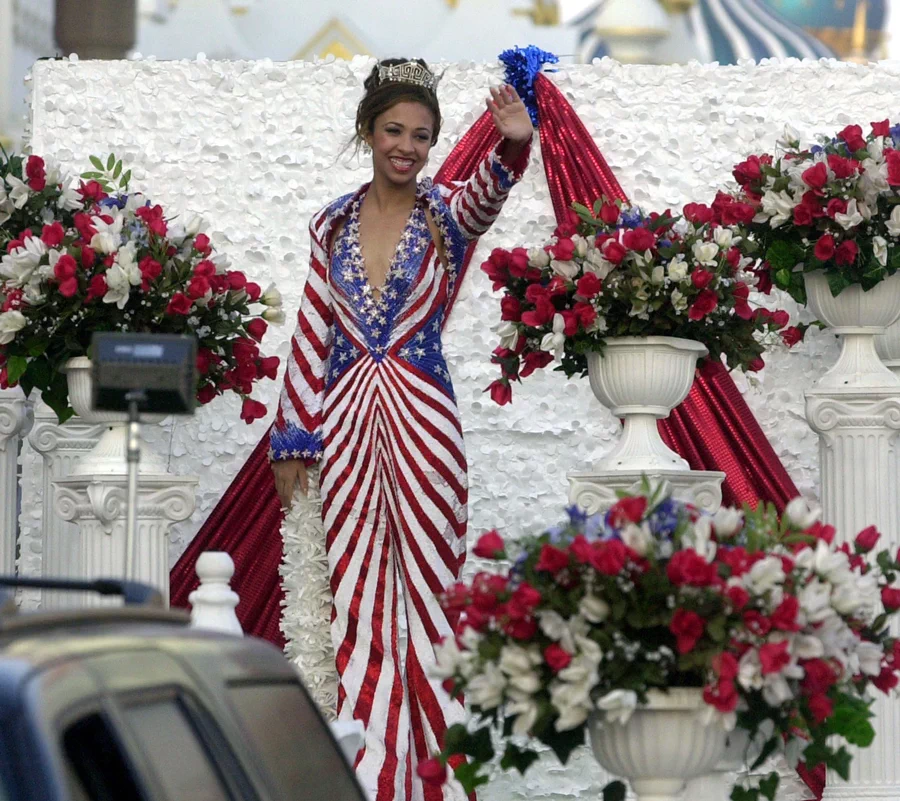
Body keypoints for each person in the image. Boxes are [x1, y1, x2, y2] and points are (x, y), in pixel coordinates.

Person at [269, 57, 533, 801]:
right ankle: (372, 779)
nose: (408, 147)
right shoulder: (329, 222)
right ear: (368, 131)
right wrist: (293, 434)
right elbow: (313, 327)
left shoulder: (445, 213)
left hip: (423, 419)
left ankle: (445, 780)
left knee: (430, 595)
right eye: (394, 130)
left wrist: (513, 146)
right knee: (355, 596)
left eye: (422, 135)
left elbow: (487, 196)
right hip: (348, 419)